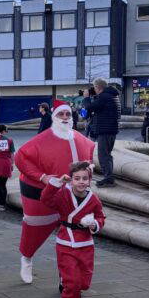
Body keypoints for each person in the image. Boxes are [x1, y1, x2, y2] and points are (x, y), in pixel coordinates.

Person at [14, 99, 96, 283]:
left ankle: (65, 278)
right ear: (54, 117)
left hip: (72, 196)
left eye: (68, 114)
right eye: (61, 114)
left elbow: (90, 158)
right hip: (41, 193)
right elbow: (20, 157)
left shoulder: (83, 141)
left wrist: (89, 169)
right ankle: (26, 257)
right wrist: (43, 177)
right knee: (34, 230)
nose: (65, 117)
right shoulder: (41, 140)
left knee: (72, 237)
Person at [40, 160, 106, 298]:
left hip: (86, 244)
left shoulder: (93, 199)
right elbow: (46, 199)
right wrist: (56, 183)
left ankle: (65, 279)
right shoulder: (63, 193)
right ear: (71, 179)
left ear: (89, 180)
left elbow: (101, 216)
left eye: (85, 178)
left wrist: (95, 224)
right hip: (66, 243)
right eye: (77, 178)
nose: (81, 182)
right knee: (73, 284)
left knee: (84, 283)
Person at [82, 78, 120, 187]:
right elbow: (97, 109)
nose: (93, 89)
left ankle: (108, 179)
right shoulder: (110, 95)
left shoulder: (104, 97)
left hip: (105, 131)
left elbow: (89, 107)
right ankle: (109, 177)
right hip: (110, 130)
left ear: (98, 87)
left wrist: (86, 98)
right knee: (107, 155)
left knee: (103, 156)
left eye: (94, 87)